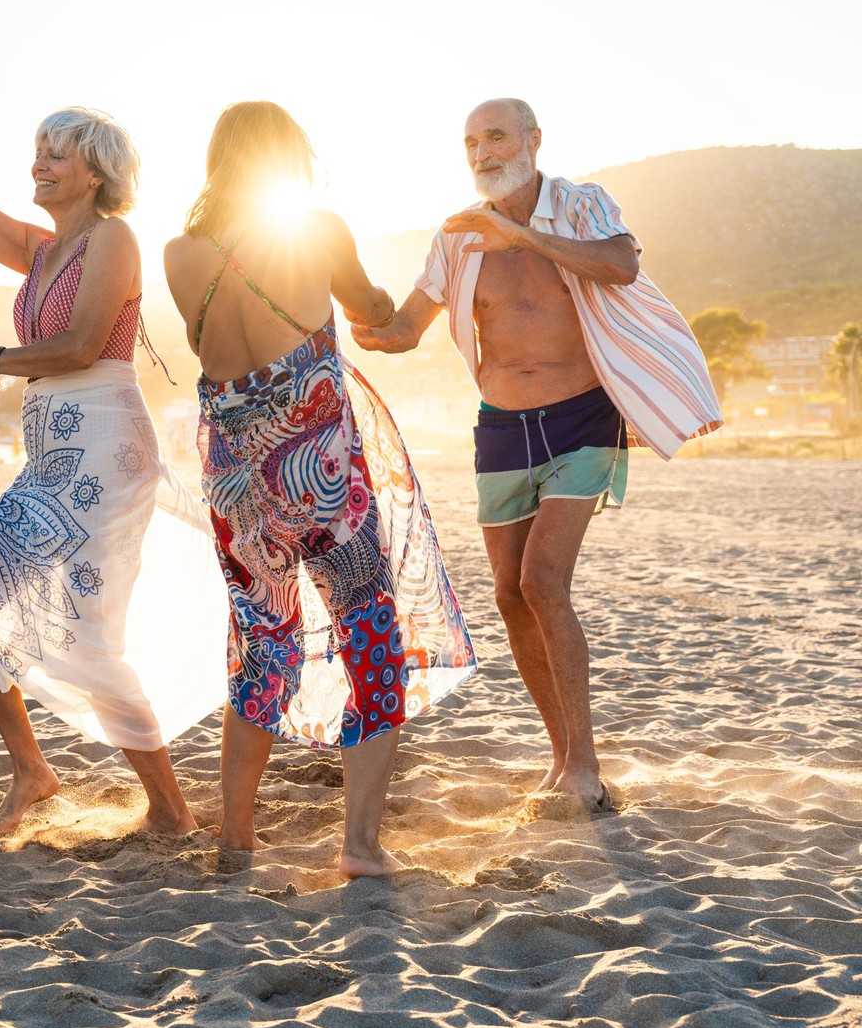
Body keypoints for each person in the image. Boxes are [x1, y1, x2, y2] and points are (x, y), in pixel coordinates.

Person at [349, 98, 721, 810]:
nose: (482, 152)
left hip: (582, 418)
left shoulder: (579, 206)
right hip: (500, 427)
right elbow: (405, 328)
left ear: (532, 140)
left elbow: (621, 265)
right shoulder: (456, 237)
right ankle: (560, 755)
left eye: (495, 136)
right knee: (509, 594)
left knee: (544, 579)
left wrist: (517, 233)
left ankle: (585, 766)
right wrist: (367, 322)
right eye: (470, 142)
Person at [0, 30, 229, 837]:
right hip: (49, 455)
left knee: (90, 636)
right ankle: (35, 772)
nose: (38, 164)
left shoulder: (113, 239)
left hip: (105, 453)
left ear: (95, 169)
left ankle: (170, 811)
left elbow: (82, 346)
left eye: (55, 152)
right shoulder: (41, 250)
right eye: (35, 151)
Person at [164, 102, 478, 878]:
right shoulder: (317, 230)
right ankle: (360, 844)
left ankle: (235, 837)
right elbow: (370, 308)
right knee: (369, 632)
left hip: (236, 479)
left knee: (261, 644)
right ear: (288, 160)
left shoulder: (178, 253)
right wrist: (376, 316)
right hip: (320, 473)